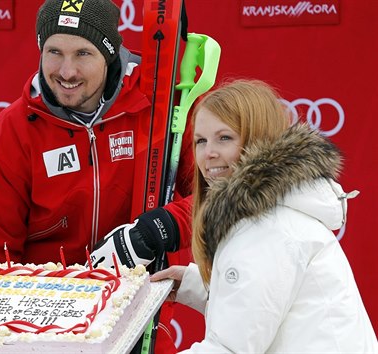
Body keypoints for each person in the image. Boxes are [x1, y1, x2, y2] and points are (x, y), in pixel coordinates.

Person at [0, 0, 194, 352]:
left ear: (110, 54)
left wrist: (158, 229)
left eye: (83, 53)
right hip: (46, 333)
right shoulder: (13, 133)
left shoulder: (156, 108)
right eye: (54, 51)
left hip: (141, 323)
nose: (67, 71)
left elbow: (220, 197)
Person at [151, 79, 378, 352]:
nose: (208, 153)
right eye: (201, 140)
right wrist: (194, 284)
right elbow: (267, 297)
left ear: (258, 138)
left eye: (225, 138)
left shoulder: (265, 227)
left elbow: (229, 348)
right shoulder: (271, 211)